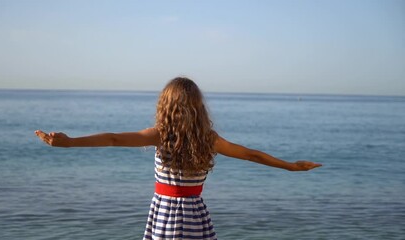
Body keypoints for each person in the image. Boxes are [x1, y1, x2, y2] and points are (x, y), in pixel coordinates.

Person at [35, 77, 322, 240]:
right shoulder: (208, 139)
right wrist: (290, 166)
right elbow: (251, 155)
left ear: (166, 106)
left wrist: (71, 143)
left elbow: (114, 139)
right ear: (198, 107)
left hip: (165, 213)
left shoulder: (159, 135)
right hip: (195, 212)